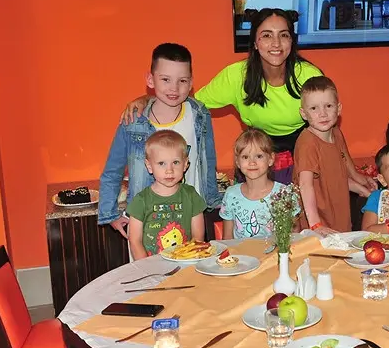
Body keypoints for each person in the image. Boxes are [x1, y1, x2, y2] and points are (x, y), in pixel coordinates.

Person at [120, 9, 322, 184]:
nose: (276, 43)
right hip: (257, 161)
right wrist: (148, 99)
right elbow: (187, 100)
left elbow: (328, 125)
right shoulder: (236, 76)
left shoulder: (309, 75)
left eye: (284, 35)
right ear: (255, 42)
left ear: (292, 41)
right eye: (267, 35)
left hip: (306, 160)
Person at [98, 43, 221, 238]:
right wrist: (109, 214)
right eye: (165, 79)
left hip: (190, 221)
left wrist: (213, 199)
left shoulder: (199, 114)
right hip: (146, 224)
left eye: (182, 80)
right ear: (150, 79)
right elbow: (113, 170)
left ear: (191, 83)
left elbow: (209, 161)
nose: (174, 88)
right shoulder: (133, 122)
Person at [293, 76, 376, 234]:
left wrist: (363, 189)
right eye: (314, 108)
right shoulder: (307, 144)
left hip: (339, 218)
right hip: (317, 223)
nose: (322, 114)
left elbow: (335, 177)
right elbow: (305, 184)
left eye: (328, 106)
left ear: (338, 109)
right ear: (303, 113)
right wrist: (315, 225)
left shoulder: (336, 133)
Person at [125, 130, 207, 259]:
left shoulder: (191, 196)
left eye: (175, 162)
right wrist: (147, 268)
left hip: (185, 264)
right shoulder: (140, 201)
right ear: (149, 166)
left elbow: (198, 239)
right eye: (161, 163)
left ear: (185, 164)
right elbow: (135, 241)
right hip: (151, 267)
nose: (169, 170)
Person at [220, 128, 294, 239]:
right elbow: (227, 240)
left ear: (271, 159)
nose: (252, 162)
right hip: (240, 251)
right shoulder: (231, 194)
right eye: (245, 157)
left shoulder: (283, 194)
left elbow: (292, 237)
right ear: (237, 162)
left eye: (259, 156)